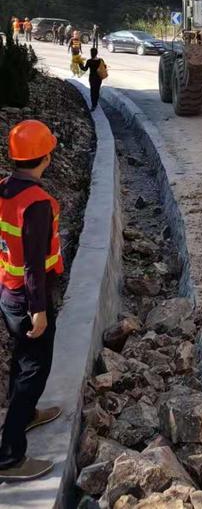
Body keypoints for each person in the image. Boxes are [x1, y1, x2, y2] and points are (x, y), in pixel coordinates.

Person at [0, 120, 62, 481]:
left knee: (21, 358)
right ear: (47, 157)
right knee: (34, 368)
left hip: (8, 292)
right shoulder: (37, 203)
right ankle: (9, 456)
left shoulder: (5, 189)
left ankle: (26, 415)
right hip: (27, 297)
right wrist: (38, 310)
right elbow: (35, 265)